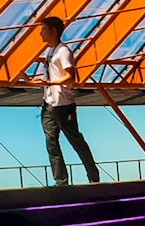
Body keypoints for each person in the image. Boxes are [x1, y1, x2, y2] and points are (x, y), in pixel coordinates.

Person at [36, 14, 101, 186]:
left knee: (75, 140)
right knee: (51, 143)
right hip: (49, 103)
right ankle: (61, 181)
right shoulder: (50, 51)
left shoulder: (63, 51)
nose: (40, 33)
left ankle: (93, 176)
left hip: (63, 105)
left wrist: (49, 82)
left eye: (43, 29)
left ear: (53, 31)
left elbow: (71, 76)